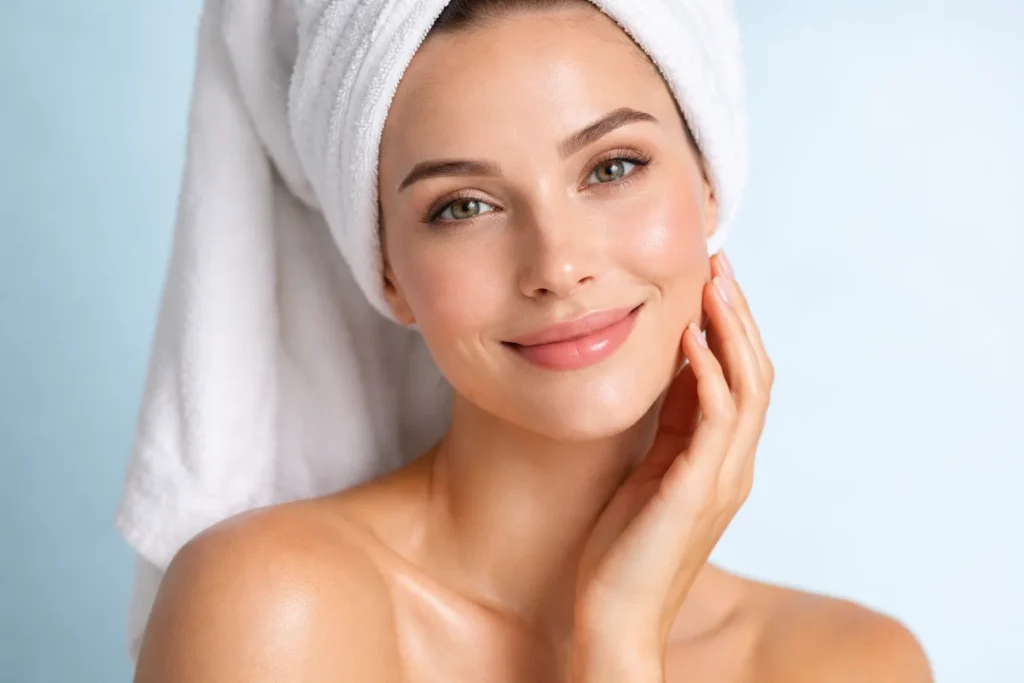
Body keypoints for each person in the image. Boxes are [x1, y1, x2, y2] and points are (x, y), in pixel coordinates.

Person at [133, 1, 932, 680]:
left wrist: (623, 630)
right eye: (464, 206)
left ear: (709, 176)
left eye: (613, 166)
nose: (558, 265)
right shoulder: (274, 612)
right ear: (387, 272)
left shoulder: (850, 661)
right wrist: (617, 643)